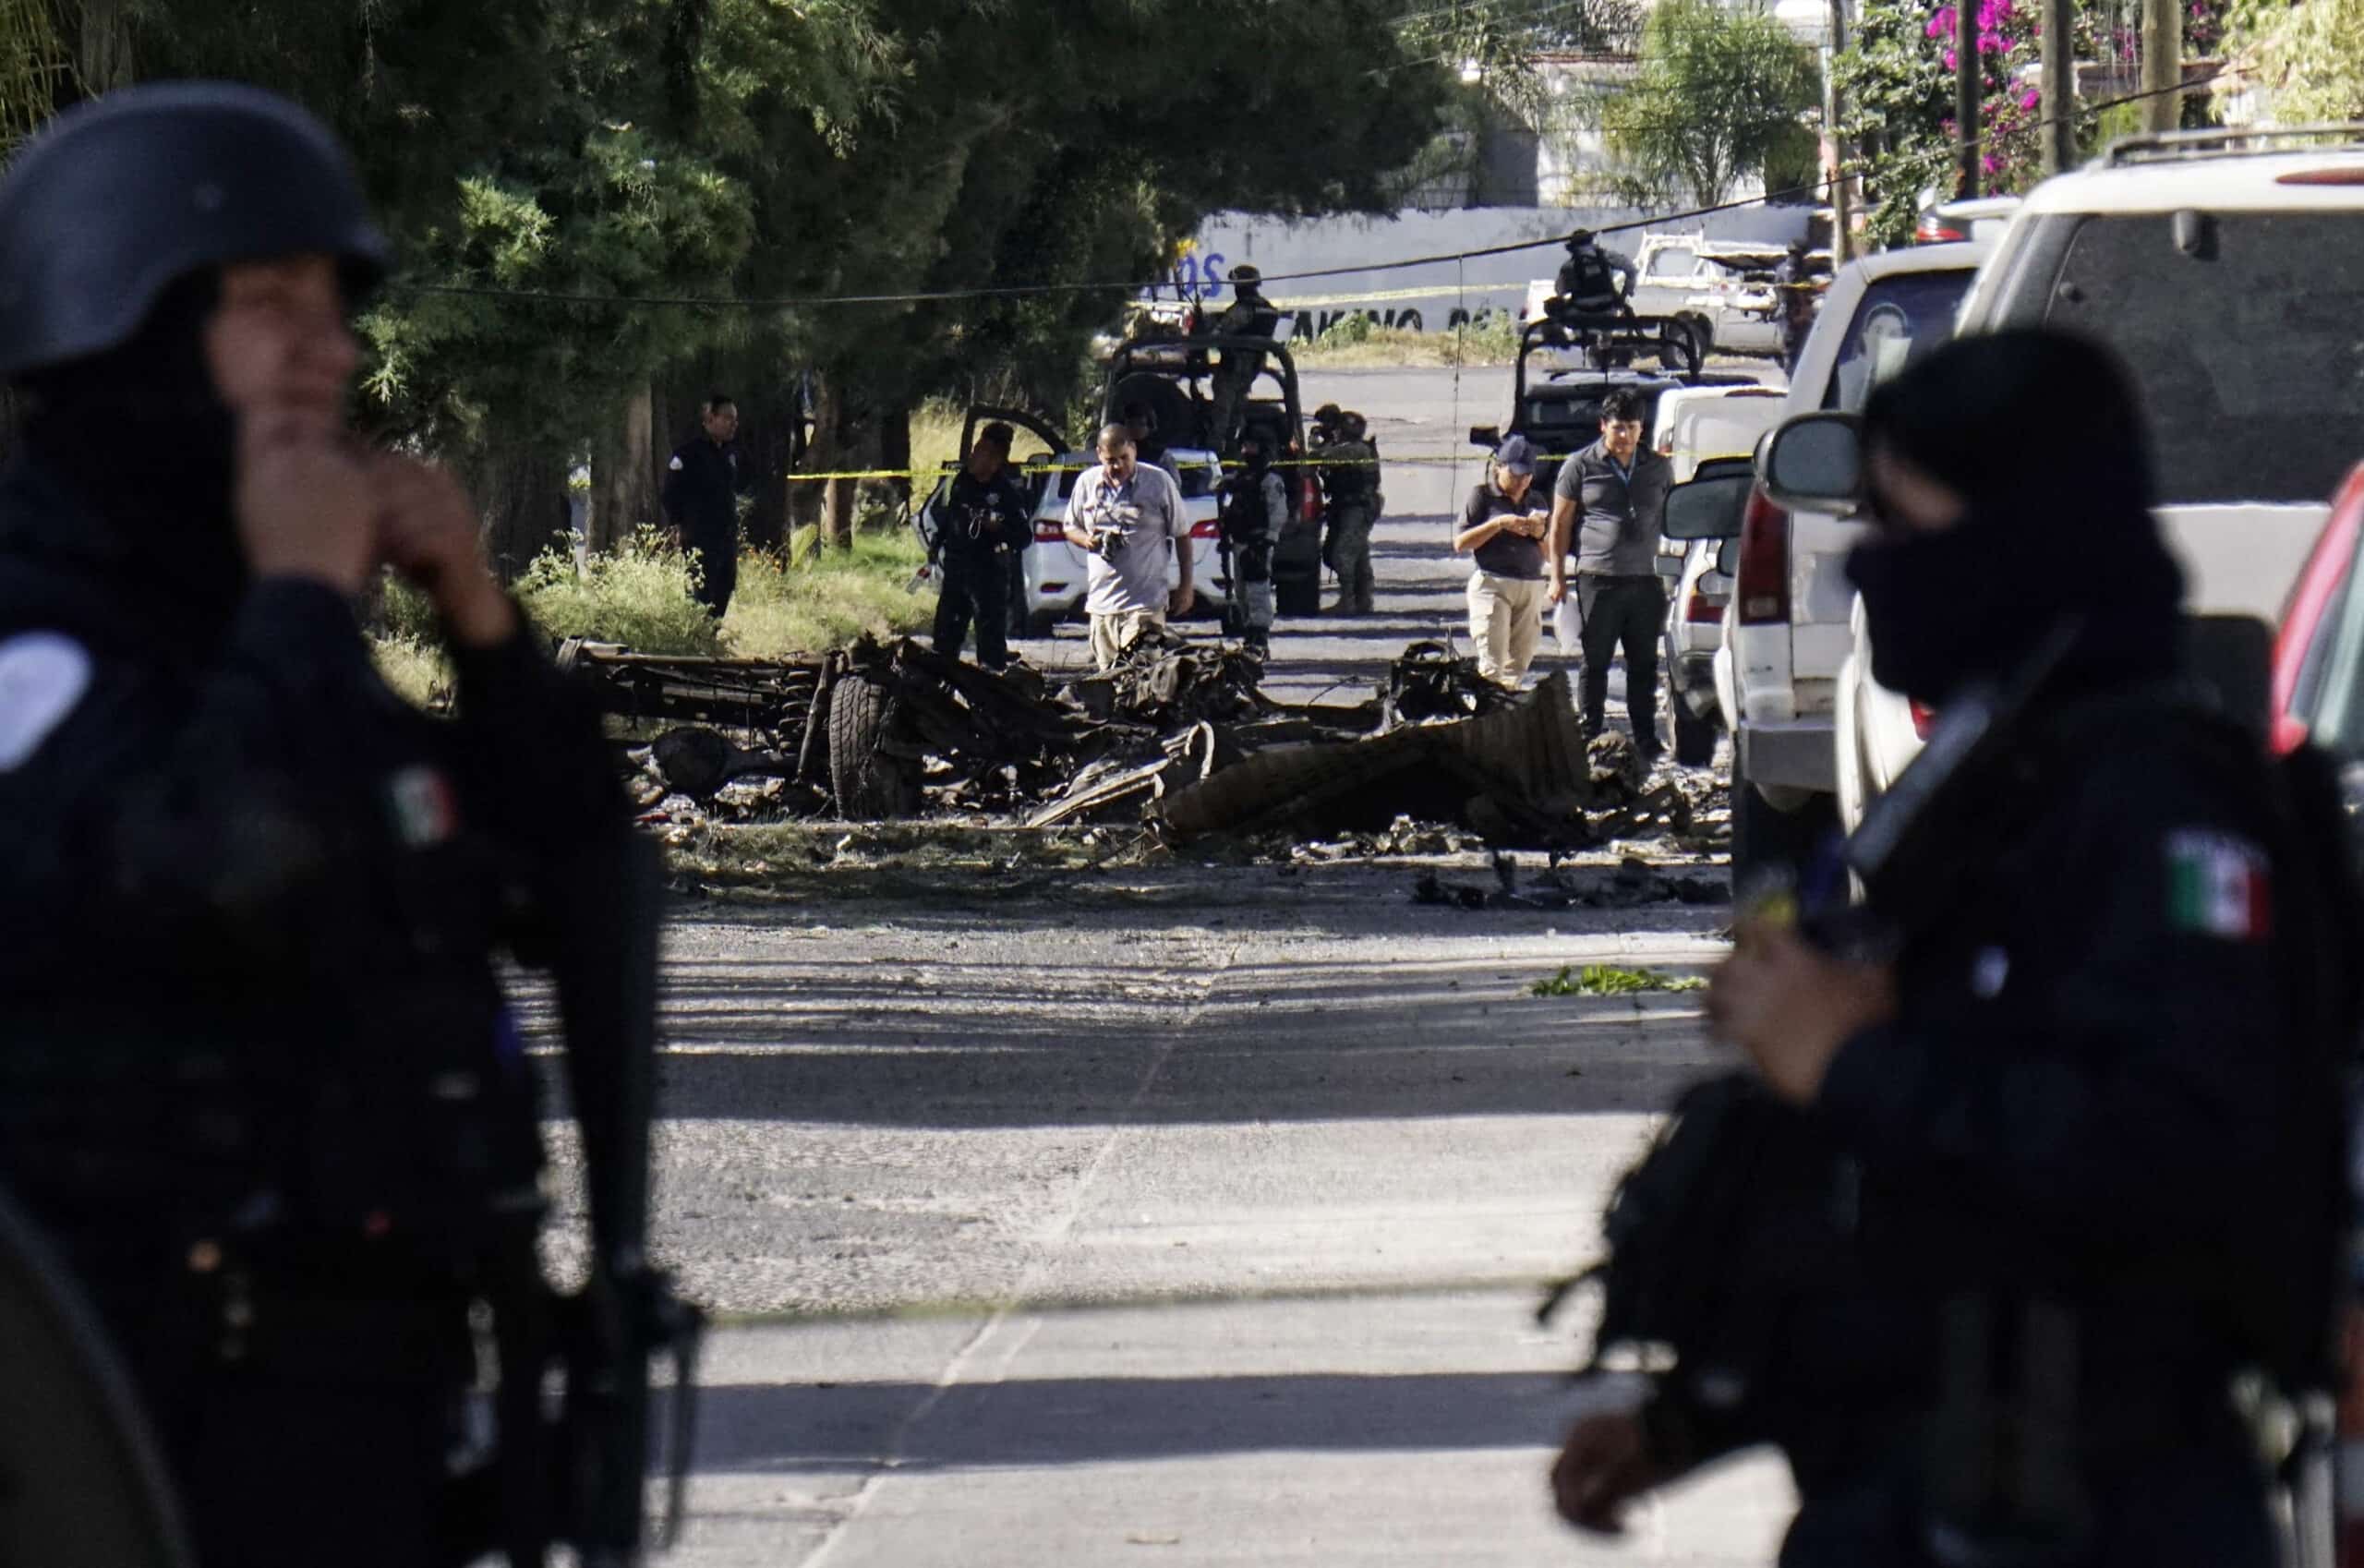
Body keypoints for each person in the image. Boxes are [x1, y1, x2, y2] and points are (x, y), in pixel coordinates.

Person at [1551, 330, 2351, 1568]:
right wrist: (1697, 1415)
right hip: (1928, 1496)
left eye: (1904, 523)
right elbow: (1917, 1220)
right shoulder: (1998, 780)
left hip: (2102, 1512)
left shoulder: (2158, 808)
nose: (1871, 565)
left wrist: (1851, 1056)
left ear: (2023, 534)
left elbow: (2170, 1163)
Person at [0, 83, 629, 1566]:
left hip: (367, 1401)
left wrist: (483, 630)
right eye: (267, 304)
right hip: (152, 1415)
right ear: (124, 328)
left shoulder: (266, 623)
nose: (328, 351)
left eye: (334, 311)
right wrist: (296, 599)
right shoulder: (39, 640)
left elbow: (568, 877)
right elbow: (204, 874)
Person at [1550, 388, 1673, 756]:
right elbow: (1560, 523)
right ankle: (1589, 733)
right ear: (1603, 426)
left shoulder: (1658, 466)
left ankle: (1646, 737)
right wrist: (1557, 577)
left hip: (1646, 580)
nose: (1626, 437)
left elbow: (1674, 513)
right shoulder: (1580, 465)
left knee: (1644, 664)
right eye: (1619, 428)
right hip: (1597, 577)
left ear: (1642, 428)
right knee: (1596, 660)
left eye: (1633, 428)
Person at [1063, 422, 1192, 669]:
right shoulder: (1086, 484)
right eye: (1111, 460)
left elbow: (1183, 535)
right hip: (1102, 604)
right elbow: (1070, 527)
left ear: (1133, 450)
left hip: (1144, 603)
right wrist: (1088, 540)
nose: (1118, 466)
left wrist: (1186, 586)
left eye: (1124, 458)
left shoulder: (1158, 482)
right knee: (1108, 681)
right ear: (1099, 454)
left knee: (1139, 676)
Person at [928, 420, 1032, 669]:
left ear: (995, 459)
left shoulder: (1006, 492)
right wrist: (937, 544)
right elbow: (951, 515)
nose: (973, 456)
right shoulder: (963, 481)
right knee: (945, 637)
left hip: (988, 573)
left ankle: (990, 693)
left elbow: (1023, 536)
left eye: (981, 451)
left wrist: (998, 529)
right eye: (975, 449)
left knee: (990, 643)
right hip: (956, 570)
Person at [1453, 434, 1553, 686]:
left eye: (1527, 475)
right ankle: (1485, 714)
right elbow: (1461, 543)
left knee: (1518, 662)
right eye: (1516, 474)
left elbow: (1550, 552)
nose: (1522, 481)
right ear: (1499, 468)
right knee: (1492, 661)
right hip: (1493, 583)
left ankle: (1507, 712)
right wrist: (1499, 524)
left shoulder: (1536, 500)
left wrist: (1539, 532)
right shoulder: (1483, 496)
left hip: (1530, 585)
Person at [662, 392, 754, 617]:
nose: (734, 424)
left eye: (735, 419)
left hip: (726, 536)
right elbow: (671, 492)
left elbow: (741, 486)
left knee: (725, 587)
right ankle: (696, 641)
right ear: (711, 419)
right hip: (699, 536)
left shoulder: (732, 452)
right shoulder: (689, 453)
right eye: (728, 418)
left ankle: (712, 636)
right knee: (700, 592)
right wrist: (678, 525)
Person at [1216, 436, 1285, 651]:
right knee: (1241, 591)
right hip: (1239, 541)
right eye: (1246, 445)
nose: (1247, 450)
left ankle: (1260, 634)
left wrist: (1268, 539)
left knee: (1257, 588)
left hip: (1258, 541)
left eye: (1253, 445)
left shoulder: (1270, 479)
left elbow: (1278, 511)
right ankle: (1249, 631)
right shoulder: (1240, 478)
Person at [1206, 263, 1281, 453]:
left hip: (1232, 368)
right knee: (1236, 413)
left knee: (1221, 418)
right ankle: (1233, 451)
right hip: (1252, 368)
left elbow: (1217, 335)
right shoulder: (1268, 309)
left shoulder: (1241, 310)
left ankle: (1214, 454)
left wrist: (1210, 323)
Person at [1317, 410, 1381, 615]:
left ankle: (1348, 601)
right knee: (1357, 554)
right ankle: (1362, 599)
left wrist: (1317, 444)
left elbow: (1322, 457)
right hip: (1348, 507)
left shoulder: (1357, 450)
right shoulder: (1350, 448)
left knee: (1342, 553)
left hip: (1358, 508)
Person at [1554, 229, 1638, 319]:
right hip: (1608, 309)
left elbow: (1560, 290)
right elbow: (1631, 269)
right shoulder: (1607, 257)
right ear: (1591, 241)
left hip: (1581, 311)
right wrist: (1626, 292)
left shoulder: (1568, 266)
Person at [1773, 237, 1819, 373]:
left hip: (1792, 312)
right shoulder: (1792, 268)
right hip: (1792, 313)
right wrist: (1803, 307)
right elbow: (1792, 287)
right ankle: (1792, 379)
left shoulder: (1784, 267)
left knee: (1800, 348)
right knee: (1792, 349)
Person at [1121, 399, 1183, 480]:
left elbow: (1173, 485)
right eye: (1130, 423)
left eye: (1141, 424)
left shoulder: (1162, 456)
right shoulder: (1116, 453)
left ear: (1150, 427)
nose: (1135, 428)